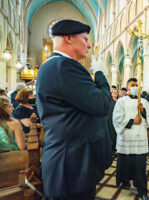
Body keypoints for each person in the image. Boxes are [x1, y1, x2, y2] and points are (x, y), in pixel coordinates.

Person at [35, 19, 112, 199]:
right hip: (72, 168)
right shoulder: (63, 66)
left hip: (72, 165)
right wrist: (100, 74)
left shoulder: (55, 66)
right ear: (69, 38)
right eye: (85, 39)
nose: (89, 45)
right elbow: (102, 104)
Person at [113, 78, 149, 200]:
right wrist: (132, 121)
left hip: (140, 139)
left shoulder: (144, 101)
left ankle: (142, 190)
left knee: (140, 166)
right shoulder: (121, 101)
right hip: (126, 138)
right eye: (132, 85)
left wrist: (143, 111)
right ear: (127, 87)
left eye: (137, 85)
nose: (135, 86)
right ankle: (125, 181)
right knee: (126, 162)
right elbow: (116, 119)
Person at [107, 88, 119, 155]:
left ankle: (116, 149)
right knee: (111, 135)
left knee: (117, 134)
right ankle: (111, 150)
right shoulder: (109, 101)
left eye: (116, 92)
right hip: (110, 119)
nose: (115, 93)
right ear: (111, 94)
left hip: (118, 120)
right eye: (113, 92)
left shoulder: (119, 101)